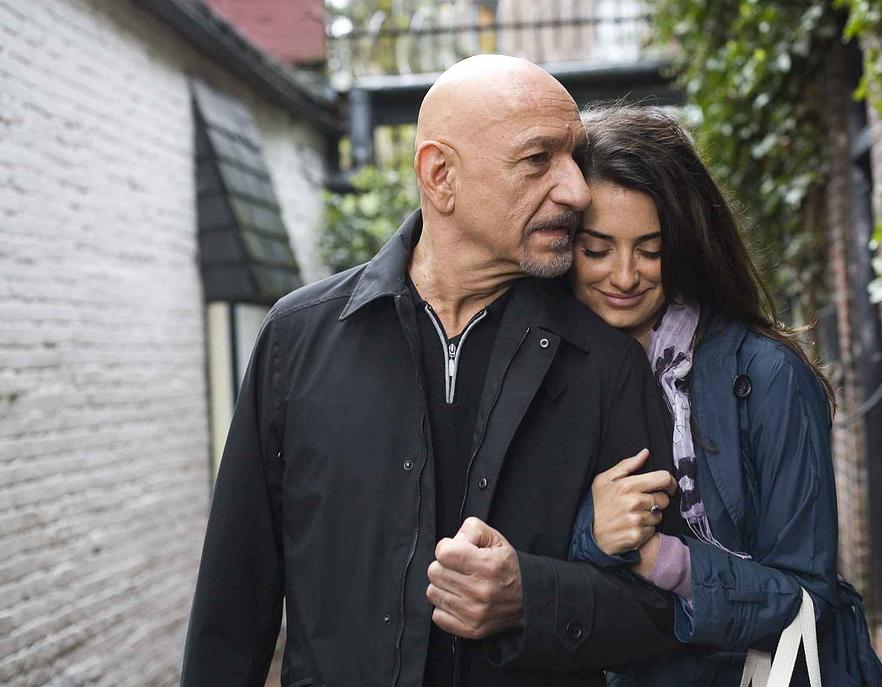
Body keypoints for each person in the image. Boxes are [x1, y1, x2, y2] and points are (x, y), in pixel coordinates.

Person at [180, 58, 679, 687]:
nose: (578, 190)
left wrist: (530, 597)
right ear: (441, 176)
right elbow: (231, 608)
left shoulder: (607, 364)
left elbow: (661, 611)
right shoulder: (297, 339)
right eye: (538, 160)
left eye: (574, 158)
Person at [566, 106, 843, 685]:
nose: (624, 276)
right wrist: (594, 531)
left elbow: (808, 597)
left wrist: (656, 558)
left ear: (688, 245)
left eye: (650, 250)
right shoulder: (543, 375)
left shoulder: (767, 375)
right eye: (596, 250)